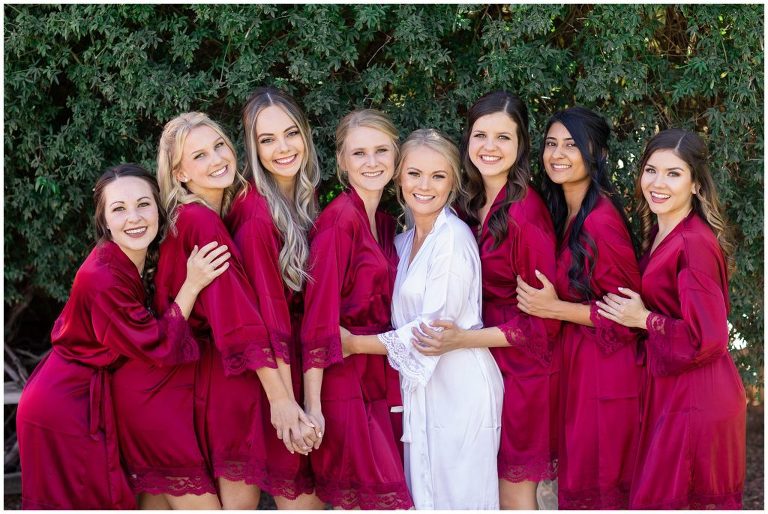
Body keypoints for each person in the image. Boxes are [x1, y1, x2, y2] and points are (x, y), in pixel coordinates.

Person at [114, 113, 314, 510]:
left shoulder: (213, 213)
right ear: (180, 173)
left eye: (219, 146)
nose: (217, 159)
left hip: (177, 382)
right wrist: (281, 400)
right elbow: (236, 318)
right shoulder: (199, 221)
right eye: (200, 155)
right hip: (174, 388)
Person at [16, 164, 230, 509]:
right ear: (104, 221)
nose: (134, 217)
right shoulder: (102, 275)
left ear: (159, 209)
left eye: (143, 204)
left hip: (79, 391)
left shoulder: (127, 260)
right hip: (65, 405)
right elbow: (157, 345)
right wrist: (192, 284)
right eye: (119, 208)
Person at [410, 91, 560, 509]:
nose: (490, 147)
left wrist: (461, 340)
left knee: (512, 495)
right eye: (481, 135)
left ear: (521, 145)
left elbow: (540, 327)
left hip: (523, 373)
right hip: (477, 370)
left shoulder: (526, 217)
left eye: (503, 138)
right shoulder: (467, 201)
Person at [341, 129, 504, 509]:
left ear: (453, 182)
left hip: (460, 388)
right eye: (414, 174)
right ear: (398, 177)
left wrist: (353, 344)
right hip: (422, 391)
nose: (424, 186)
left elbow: (432, 332)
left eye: (438, 176)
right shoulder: (402, 240)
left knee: (460, 497)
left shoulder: (453, 239)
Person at [594, 129, 746, 509]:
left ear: (696, 185)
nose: (658, 183)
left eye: (673, 174)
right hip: (671, 391)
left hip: (697, 398)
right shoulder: (661, 232)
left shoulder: (693, 243)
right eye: (651, 170)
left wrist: (644, 319)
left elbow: (707, 337)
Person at [515, 107, 642, 509]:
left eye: (571, 145)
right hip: (577, 368)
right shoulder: (563, 210)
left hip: (607, 377)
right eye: (551, 144)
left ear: (597, 153)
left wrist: (555, 309)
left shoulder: (601, 220)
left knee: (600, 488)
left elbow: (628, 318)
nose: (558, 154)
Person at [301, 109, 412, 509]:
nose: (371, 162)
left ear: (397, 157)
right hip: (343, 384)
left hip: (379, 379)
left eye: (381, 150)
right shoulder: (338, 224)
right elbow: (317, 322)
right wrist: (313, 408)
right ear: (342, 161)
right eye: (359, 153)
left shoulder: (384, 223)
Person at [224, 86, 324, 509]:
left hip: (294, 372)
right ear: (253, 148)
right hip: (268, 381)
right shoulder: (256, 214)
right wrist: (285, 402)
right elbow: (270, 318)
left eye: (290, 133)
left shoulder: (302, 198)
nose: (283, 148)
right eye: (267, 140)